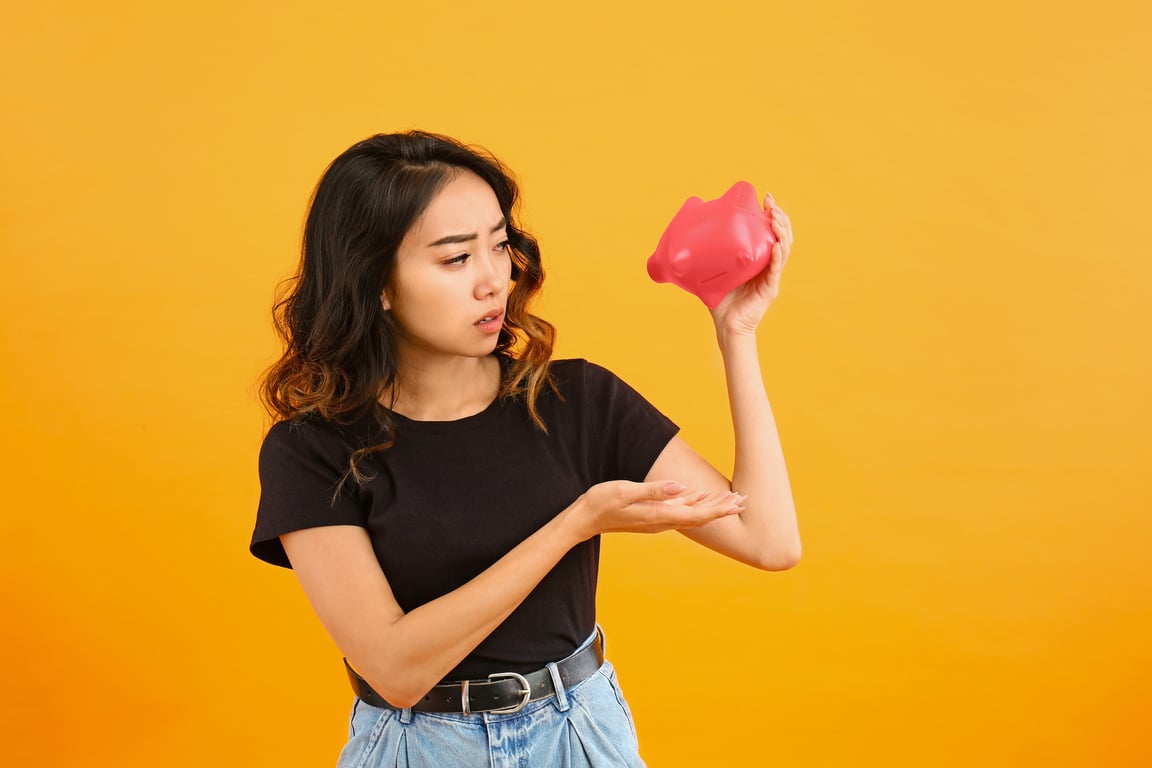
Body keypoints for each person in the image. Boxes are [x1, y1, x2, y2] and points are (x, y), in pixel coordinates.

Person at [250, 130, 800, 768]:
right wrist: (576, 523)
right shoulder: (310, 449)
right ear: (377, 283)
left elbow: (770, 540)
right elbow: (396, 670)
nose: (495, 280)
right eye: (456, 259)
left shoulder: (578, 399)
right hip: (417, 747)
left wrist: (738, 333)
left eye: (500, 245)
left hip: (580, 734)